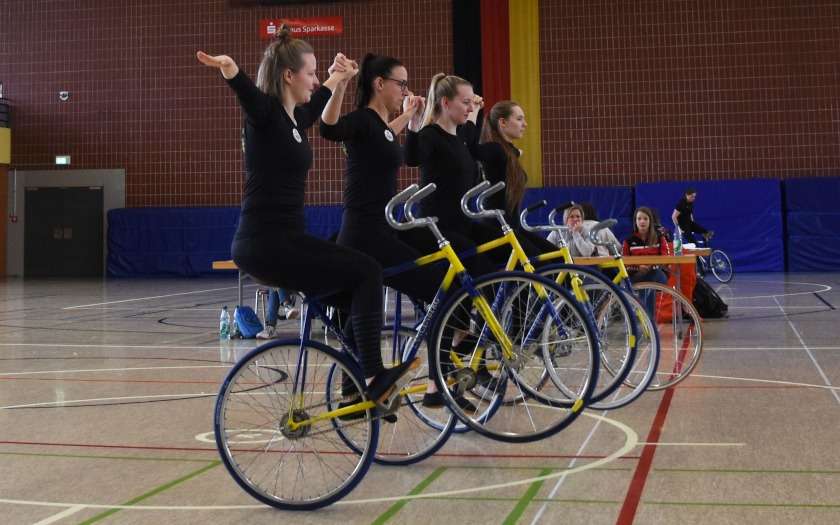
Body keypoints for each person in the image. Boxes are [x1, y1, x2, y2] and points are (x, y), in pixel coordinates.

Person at [196, 25, 417, 405]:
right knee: (368, 271)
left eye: (317, 73)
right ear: (288, 75)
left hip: (282, 241)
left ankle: (352, 398)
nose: (315, 81)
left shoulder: (295, 120)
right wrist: (231, 70)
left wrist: (337, 77)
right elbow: (249, 95)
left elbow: (319, 104)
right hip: (264, 243)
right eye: (310, 73)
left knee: (356, 299)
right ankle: (373, 376)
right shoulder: (265, 115)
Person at [319, 54, 476, 412]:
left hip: (379, 229)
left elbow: (390, 135)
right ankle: (435, 383)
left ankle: (356, 390)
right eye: (401, 84)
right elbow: (329, 127)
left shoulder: (382, 125)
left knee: (368, 309)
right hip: (363, 232)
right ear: (379, 83)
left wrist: (411, 114)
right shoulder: (362, 121)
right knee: (440, 290)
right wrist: (341, 83)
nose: (406, 89)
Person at [403, 74, 507, 270]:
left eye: (470, 103)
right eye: (465, 102)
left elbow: (470, 127)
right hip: (435, 227)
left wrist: (475, 108)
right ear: (445, 103)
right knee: (484, 273)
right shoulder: (430, 135)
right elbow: (412, 158)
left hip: (462, 224)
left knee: (510, 245)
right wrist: (414, 122)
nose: (469, 108)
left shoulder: (461, 137)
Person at [471, 100, 556, 256]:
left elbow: (510, 154)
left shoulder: (507, 151)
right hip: (497, 228)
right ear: (502, 122)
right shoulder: (494, 149)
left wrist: (517, 153)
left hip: (512, 226)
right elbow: (473, 149)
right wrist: (474, 112)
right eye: (519, 119)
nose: (525, 124)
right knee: (541, 263)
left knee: (556, 256)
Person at [623, 206, 669, 314]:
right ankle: (649, 321)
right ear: (635, 222)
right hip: (636, 276)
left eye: (645, 219)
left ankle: (647, 318)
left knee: (651, 276)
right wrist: (638, 267)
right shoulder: (628, 241)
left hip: (658, 275)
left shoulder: (660, 238)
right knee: (647, 283)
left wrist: (650, 266)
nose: (642, 221)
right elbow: (624, 263)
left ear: (650, 221)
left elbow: (666, 259)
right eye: (639, 219)